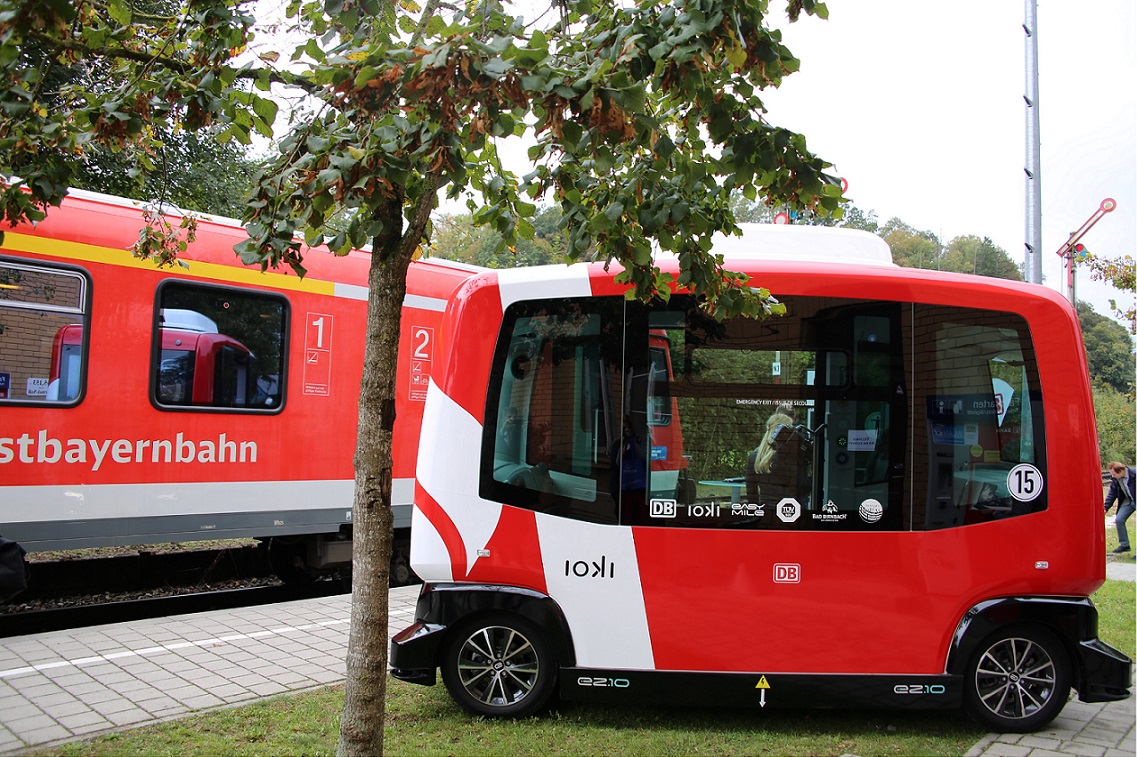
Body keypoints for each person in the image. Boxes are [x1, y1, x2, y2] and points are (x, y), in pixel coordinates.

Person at [1103, 461, 1135, 554]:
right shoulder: (1117, 480)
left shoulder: (1134, 475)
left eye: (1114, 474)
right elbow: (1112, 494)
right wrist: (1106, 507)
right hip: (1129, 501)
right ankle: (1124, 544)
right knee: (1119, 519)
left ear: (1121, 471)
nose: (1112, 476)